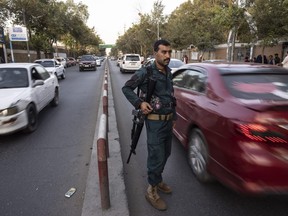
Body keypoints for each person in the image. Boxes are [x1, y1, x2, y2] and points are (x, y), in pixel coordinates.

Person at [122, 39, 177, 211]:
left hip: (168, 121)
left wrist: (173, 118)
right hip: (154, 123)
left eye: (169, 52)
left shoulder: (168, 71)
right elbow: (127, 88)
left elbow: (170, 98)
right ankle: (151, 190)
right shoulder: (146, 72)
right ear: (155, 53)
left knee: (166, 153)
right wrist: (139, 103)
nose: (167, 55)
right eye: (164, 52)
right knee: (156, 157)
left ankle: (158, 180)